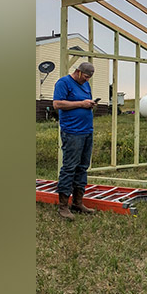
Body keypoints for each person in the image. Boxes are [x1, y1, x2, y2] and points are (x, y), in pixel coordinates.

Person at [51, 62, 98, 220]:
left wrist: (89, 105)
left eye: (89, 78)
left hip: (86, 131)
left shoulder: (85, 85)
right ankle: (63, 207)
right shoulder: (63, 83)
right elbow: (57, 104)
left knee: (83, 167)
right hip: (72, 132)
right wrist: (81, 104)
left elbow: (84, 103)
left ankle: (78, 202)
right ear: (78, 71)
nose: (86, 80)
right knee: (69, 167)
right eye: (85, 76)